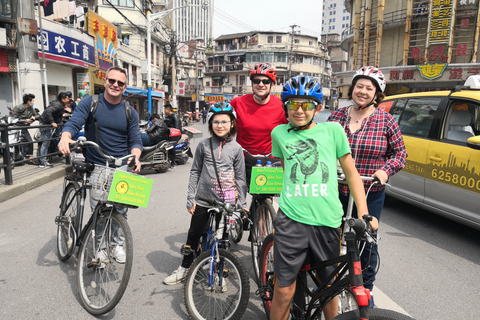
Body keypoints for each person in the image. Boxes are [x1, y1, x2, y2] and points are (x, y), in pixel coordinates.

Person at [270, 75, 378, 320]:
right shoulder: (279, 133)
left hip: (327, 222)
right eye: (293, 104)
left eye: (306, 105)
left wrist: (364, 211)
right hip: (290, 221)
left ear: (317, 108)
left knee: (329, 289)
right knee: (284, 291)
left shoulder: (333, 130)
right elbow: (287, 170)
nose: (299, 110)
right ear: (285, 106)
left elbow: (352, 174)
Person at [327, 66, 407, 306]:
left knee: (366, 245)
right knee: (329, 240)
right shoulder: (336, 117)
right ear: (352, 89)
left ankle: (365, 291)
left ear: (377, 94)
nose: (362, 91)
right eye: (359, 86)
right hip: (336, 191)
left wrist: (384, 171)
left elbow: (400, 154)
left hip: (369, 193)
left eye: (369, 88)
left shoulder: (386, 120)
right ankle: (328, 285)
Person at [58, 66, 142, 263]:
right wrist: (65, 136)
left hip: (121, 163)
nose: (115, 85)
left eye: (120, 83)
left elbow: (136, 140)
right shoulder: (91, 102)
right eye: (112, 81)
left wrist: (136, 156)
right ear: (105, 81)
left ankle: (116, 244)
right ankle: (101, 248)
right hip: (97, 163)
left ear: (125, 87)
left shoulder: (130, 111)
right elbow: (74, 122)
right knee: (99, 209)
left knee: (121, 208)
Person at [163, 102, 248, 285]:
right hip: (203, 199)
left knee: (223, 240)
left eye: (225, 121)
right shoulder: (203, 145)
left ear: (232, 124)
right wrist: (190, 198)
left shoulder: (237, 149)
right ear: (210, 123)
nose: (220, 125)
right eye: (216, 121)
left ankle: (219, 272)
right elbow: (195, 171)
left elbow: (241, 178)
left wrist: (242, 203)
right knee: (193, 234)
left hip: (226, 202)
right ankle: (184, 268)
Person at [230, 63, 288, 185]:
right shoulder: (238, 103)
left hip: (270, 162)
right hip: (242, 160)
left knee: (266, 200)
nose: (261, 84)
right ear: (251, 83)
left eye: (266, 81)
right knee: (234, 198)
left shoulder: (281, 106)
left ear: (272, 84)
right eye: (256, 81)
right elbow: (225, 127)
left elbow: (291, 133)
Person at [38, 92, 72, 168]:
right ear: (62, 99)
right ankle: (43, 162)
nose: (68, 99)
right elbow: (48, 111)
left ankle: (58, 151)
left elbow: (56, 113)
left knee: (57, 136)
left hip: (49, 124)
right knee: (46, 143)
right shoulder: (57, 105)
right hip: (46, 124)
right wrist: (52, 122)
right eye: (67, 98)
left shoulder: (60, 105)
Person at [12, 93, 40, 162]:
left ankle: (30, 158)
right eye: (33, 101)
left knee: (30, 142)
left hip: (24, 129)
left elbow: (38, 115)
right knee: (16, 144)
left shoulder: (31, 108)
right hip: (16, 128)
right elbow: (13, 118)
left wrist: (34, 117)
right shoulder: (18, 107)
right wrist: (25, 120)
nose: (33, 103)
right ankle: (15, 157)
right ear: (28, 101)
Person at [164, 104, 182, 168]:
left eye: (165, 110)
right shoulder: (167, 117)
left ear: (168, 110)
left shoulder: (174, 116)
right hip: (169, 134)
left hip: (175, 135)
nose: (164, 111)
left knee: (171, 146)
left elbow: (177, 128)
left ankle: (173, 162)